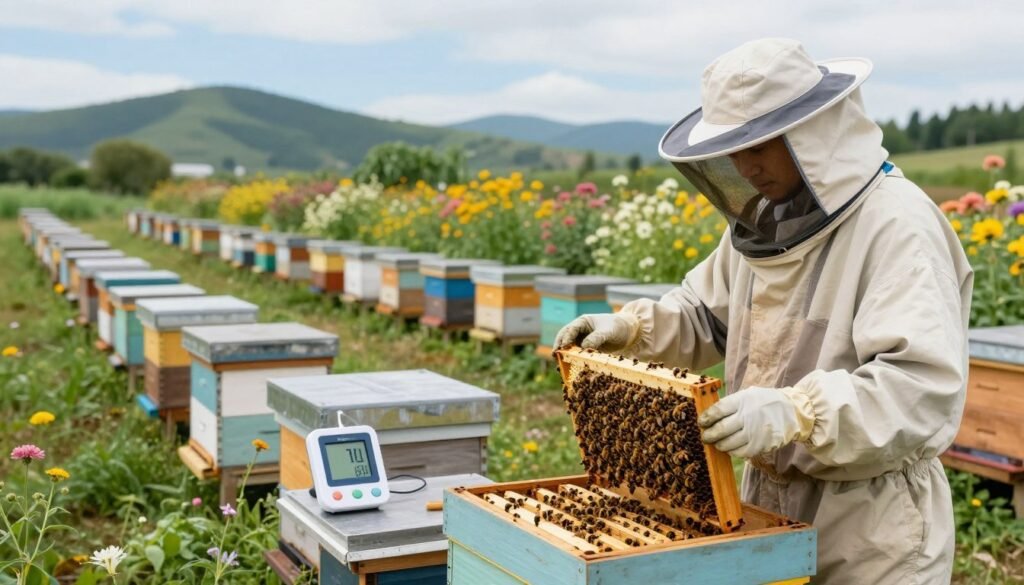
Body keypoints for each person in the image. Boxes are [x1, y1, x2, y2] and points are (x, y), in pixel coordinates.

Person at [555, 38, 972, 584]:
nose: (745, 167)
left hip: (869, 519)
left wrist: (797, 413)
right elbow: (706, 315)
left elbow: (919, 391)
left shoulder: (897, 225)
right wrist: (632, 328)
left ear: (814, 133)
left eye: (761, 145)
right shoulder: (768, 221)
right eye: (733, 148)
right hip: (764, 496)